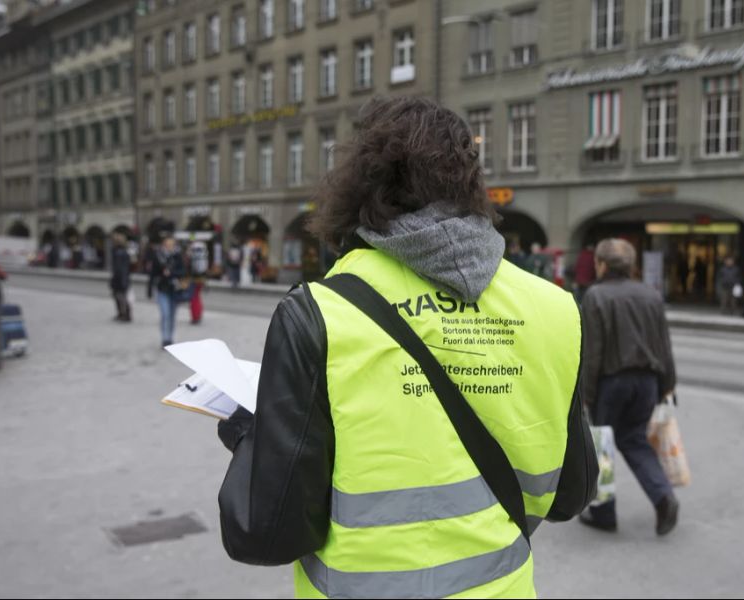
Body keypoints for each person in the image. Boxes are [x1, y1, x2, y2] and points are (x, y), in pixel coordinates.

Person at [216, 97, 598, 599]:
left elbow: (263, 533)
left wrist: (254, 433)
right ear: (471, 183)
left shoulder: (319, 312)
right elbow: (572, 493)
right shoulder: (555, 309)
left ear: (358, 186)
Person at [579, 238, 679, 536]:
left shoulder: (595, 295)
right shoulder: (650, 295)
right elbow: (664, 345)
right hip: (647, 381)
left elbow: (592, 351)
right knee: (634, 439)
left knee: (602, 444)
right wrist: (668, 385)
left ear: (602, 264)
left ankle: (604, 512)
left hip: (612, 382)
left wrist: (587, 394)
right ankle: (663, 496)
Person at [147, 234, 185, 347]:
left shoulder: (177, 256)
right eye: (167, 244)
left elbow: (183, 271)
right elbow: (152, 274)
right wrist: (149, 288)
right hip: (162, 289)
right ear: (163, 245)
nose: (169, 247)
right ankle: (165, 338)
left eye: (171, 245)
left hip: (175, 290)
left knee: (172, 315)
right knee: (165, 314)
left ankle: (170, 337)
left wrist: (171, 273)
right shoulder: (157, 256)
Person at [110, 233, 132, 323]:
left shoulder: (119, 253)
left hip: (120, 279)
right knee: (121, 297)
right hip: (122, 278)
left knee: (121, 297)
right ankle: (124, 314)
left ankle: (125, 314)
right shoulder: (122, 251)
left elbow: (120, 269)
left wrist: (120, 281)